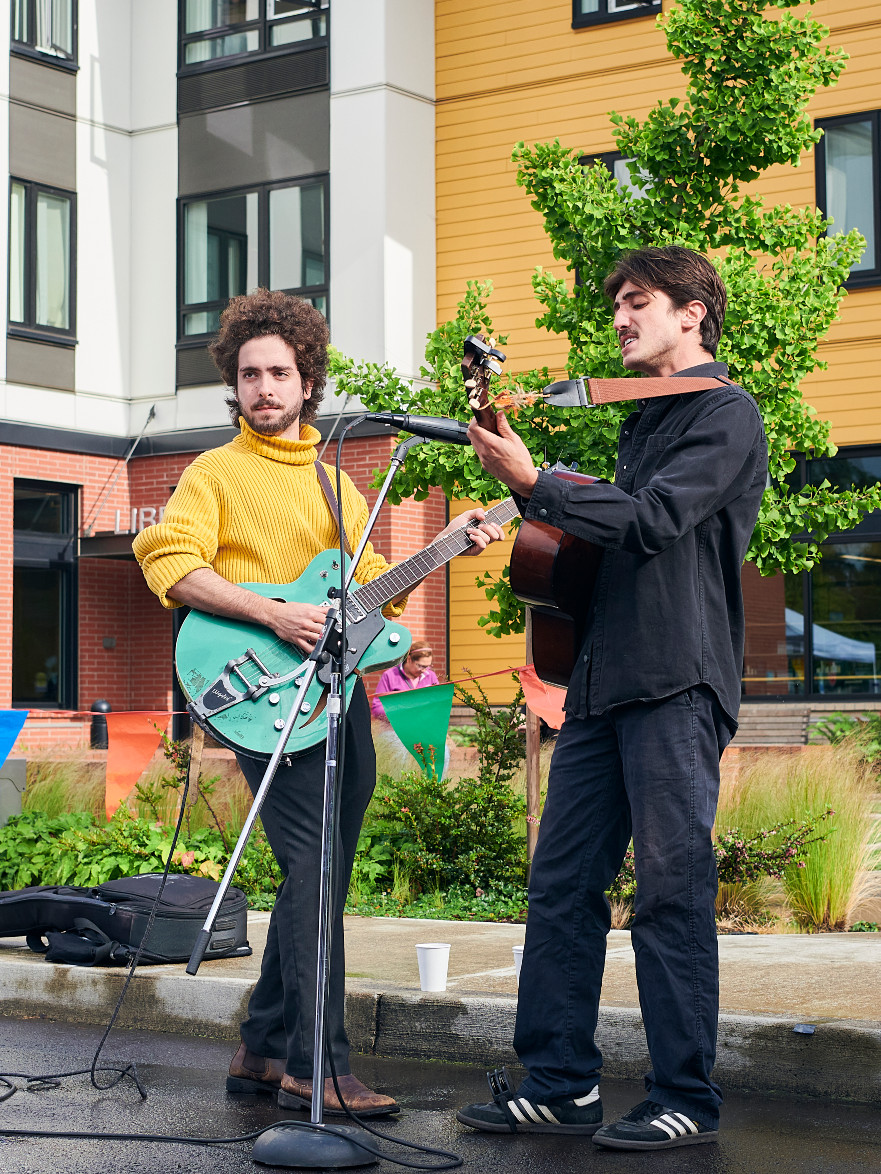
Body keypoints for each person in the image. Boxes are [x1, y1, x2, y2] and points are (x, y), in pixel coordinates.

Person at [133, 288, 501, 1117]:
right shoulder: (213, 473)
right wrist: (272, 613)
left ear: (309, 384)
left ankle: (263, 1048)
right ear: (234, 382)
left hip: (339, 699)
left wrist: (449, 549)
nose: (264, 387)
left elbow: (367, 604)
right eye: (250, 373)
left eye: (281, 373)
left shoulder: (339, 488)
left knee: (317, 877)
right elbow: (168, 563)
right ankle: (316, 1068)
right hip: (266, 695)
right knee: (317, 872)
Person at [456, 246, 768, 1150]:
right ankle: (559, 1084)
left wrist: (534, 484)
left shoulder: (724, 414)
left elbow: (656, 522)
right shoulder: (640, 423)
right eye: (618, 307)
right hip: (596, 683)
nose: (622, 319)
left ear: (691, 315)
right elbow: (608, 540)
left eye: (639, 303)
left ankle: (684, 1098)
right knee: (559, 887)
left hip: (676, 682)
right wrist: (529, 516)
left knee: (671, 892)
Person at [370, 638, 439, 721]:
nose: (424, 670)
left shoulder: (431, 676)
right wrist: (401, 710)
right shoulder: (390, 675)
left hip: (425, 726)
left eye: (428, 666)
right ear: (409, 659)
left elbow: (438, 703)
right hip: (395, 729)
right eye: (421, 666)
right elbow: (377, 708)